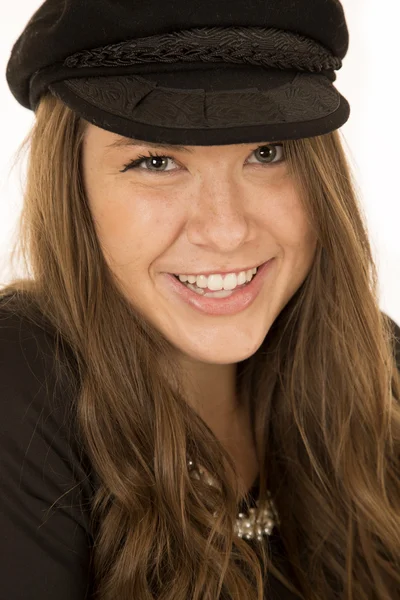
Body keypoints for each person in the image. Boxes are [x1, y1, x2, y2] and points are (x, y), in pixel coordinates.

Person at [1, 0, 400, 598]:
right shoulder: (19, 382)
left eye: (266, 153)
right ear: (73, 191)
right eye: (156, 161)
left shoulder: (380, 367)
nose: (227, 230)